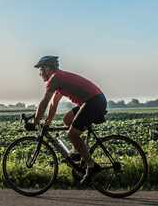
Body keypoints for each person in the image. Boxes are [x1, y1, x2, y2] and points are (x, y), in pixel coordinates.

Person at [33, 55, 107, 184]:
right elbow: (53, 103)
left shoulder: (55, 78)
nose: (40, 74)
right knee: (67, 119)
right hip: (92, 101)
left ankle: (92, 165)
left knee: (72, 134)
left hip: (93, 102)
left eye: (40, 70)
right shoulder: (60, 78)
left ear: (47, 68)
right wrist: (48, 121)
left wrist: (35, 120)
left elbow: (45, 101)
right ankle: (78, 151)